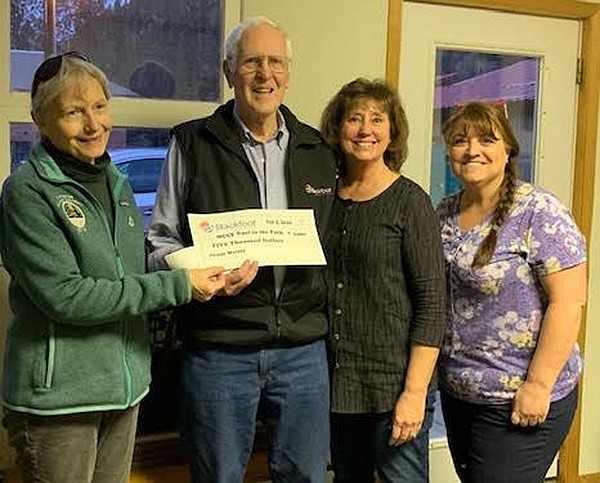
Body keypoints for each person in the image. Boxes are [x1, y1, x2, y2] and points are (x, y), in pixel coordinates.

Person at [0, 52, 227, 483]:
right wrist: (179, 285)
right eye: (74, 112)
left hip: (122, 389)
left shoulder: (115, 182)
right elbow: (68, 297)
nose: (94, 124)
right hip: (59, 402)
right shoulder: (26, 194)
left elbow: (128, 273)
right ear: (39, 119)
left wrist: (200, 266)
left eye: (100, 107)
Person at [147, 17, 337, 483]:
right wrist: (203, 277)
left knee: (307, 476)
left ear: (288, 74)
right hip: (219, 348)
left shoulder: (319, 149)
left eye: (275, 62)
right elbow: (159, 244)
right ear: (229, 71)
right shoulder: (192, 143)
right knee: (217, 476)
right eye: (252, 62)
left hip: (302, 347)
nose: (264, 74)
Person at [437, 101, 587, 483]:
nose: (472, 150)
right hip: (460, 394)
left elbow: (568, 302)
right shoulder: (443, 213)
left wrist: (538, 385)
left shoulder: (539, 211)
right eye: (460, 141)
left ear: (508, 150)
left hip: (520, 395)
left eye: (487, 139)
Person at [319, 78, 446, 482]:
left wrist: (414, 393)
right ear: (338, 129)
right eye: (354, 119)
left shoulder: (410, 201)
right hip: (336, 384)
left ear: (392, 132)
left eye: (377, 119)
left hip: (394, 386)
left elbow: (432, 302)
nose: (365, 129)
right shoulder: (323, 198)